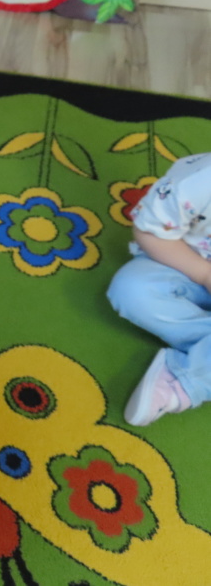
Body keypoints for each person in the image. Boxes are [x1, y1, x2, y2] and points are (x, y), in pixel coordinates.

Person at [107, 152, 211, 427]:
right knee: (131, 290)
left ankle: (186, 378)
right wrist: (204, 274)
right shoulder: (198, 182)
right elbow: (150, 232)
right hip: (184, 267)